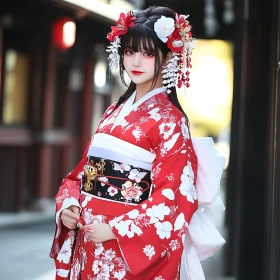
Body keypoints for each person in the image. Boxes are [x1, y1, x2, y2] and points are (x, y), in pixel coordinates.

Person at [50, 5, 225, 280]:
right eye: (129, 52)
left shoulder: (171, 121)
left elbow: (175, 197)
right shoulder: (112, 113)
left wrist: (116, 230)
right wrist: (69, 207)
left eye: (147, 53)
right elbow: (82, 175)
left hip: (125, 252)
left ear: (168, 58)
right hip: (89, 243)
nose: (135, 62)